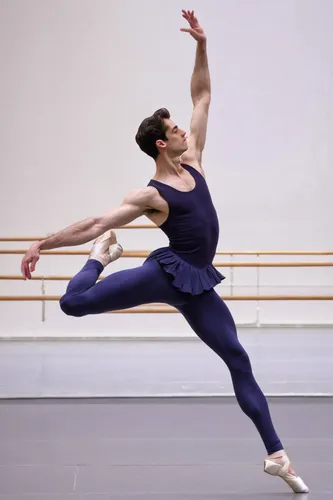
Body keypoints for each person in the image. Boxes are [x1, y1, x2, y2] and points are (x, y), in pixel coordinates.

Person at [21, 9, 308, 494]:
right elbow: (96, 221)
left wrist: (200, 44)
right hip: (164, 274)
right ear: (161, 143)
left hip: (197, 283)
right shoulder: (151, 195)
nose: (184, 130)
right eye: (175, 130)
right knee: (72, 304)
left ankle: (276, 455)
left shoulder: (193, 159)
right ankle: (100, 260)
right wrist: (43, 244)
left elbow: (202, 94)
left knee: (238, 358)